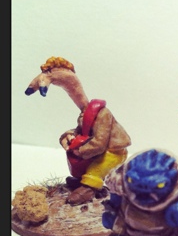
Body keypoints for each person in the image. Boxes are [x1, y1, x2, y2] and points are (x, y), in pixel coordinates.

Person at [25, 57, 131, 205]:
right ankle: (82, 180)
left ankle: (88, 188)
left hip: (114, 152)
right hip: (97, 150)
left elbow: (100, 143)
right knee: (80, 162)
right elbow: (81, 131)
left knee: (95, 169)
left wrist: (80, 151)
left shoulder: (102, 114)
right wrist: (68, 136)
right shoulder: (86, 113)